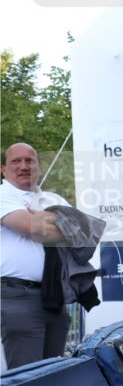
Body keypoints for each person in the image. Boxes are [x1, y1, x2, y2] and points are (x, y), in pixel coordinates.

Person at [0, 143, 71, 368]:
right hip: (18, 297)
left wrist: (43, 219)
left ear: (39, 167)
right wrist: (58, 223)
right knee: (26, 377)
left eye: (30, 160)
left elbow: (83, 233)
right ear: (3, 169)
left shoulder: (54, 199)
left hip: (55, 297)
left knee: (51, 375)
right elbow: (32, 227)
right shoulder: (3, 195)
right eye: (16, 161)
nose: (24, 166)